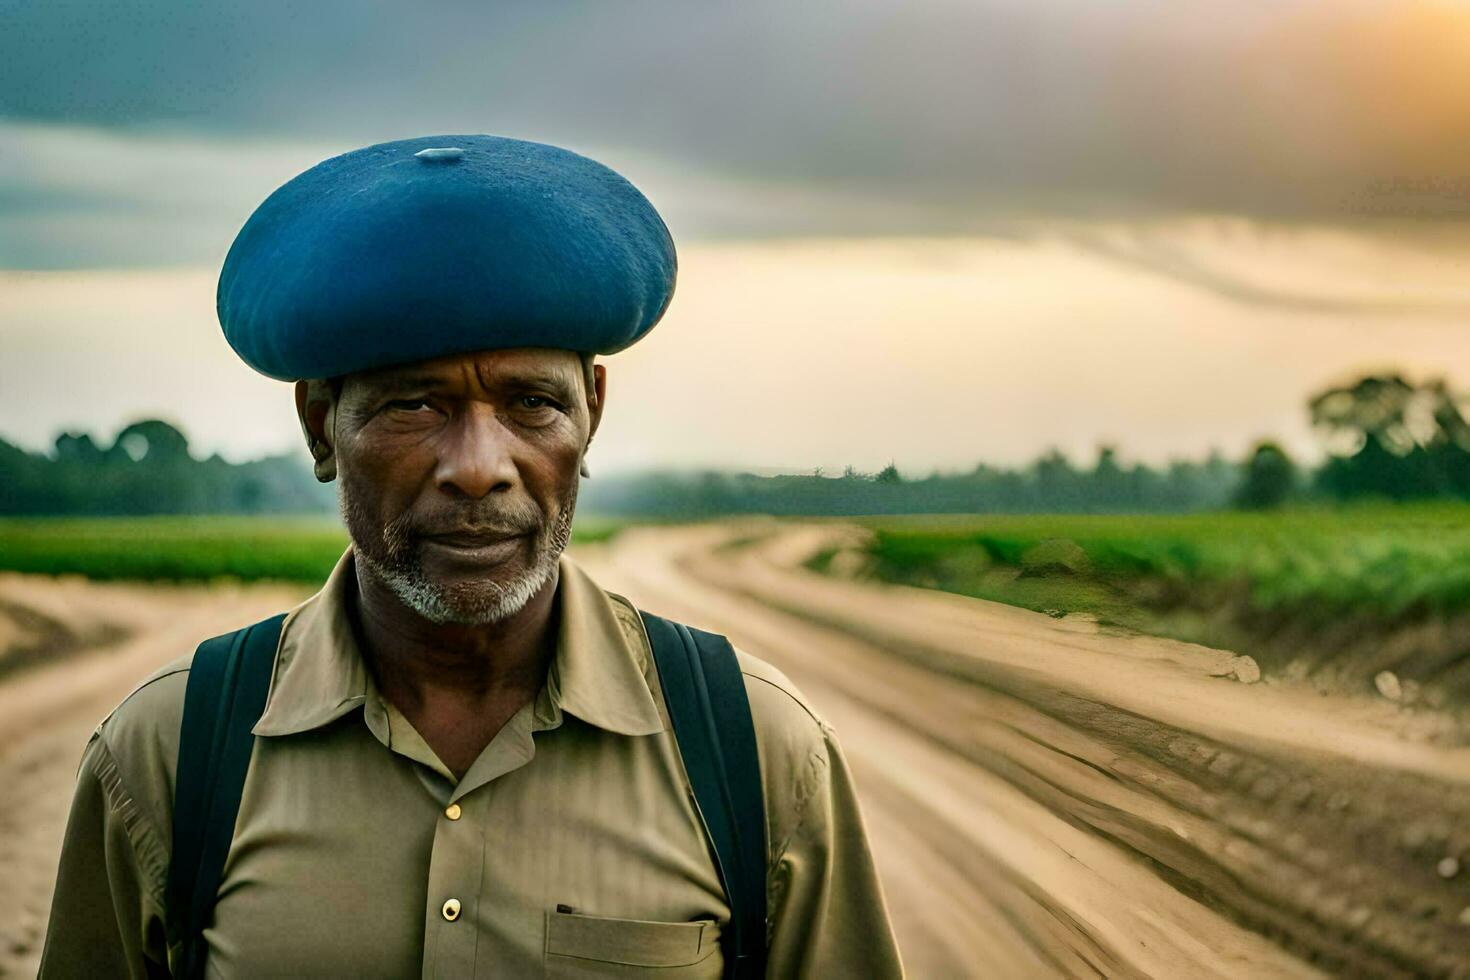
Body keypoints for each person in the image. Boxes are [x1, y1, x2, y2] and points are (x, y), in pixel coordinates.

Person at [39, 135, 903, 977]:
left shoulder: (755, 751)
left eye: (531, 402)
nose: (479, 468)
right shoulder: (169, 755)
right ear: (320, 426)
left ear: (591, 413)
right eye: (416, 406)